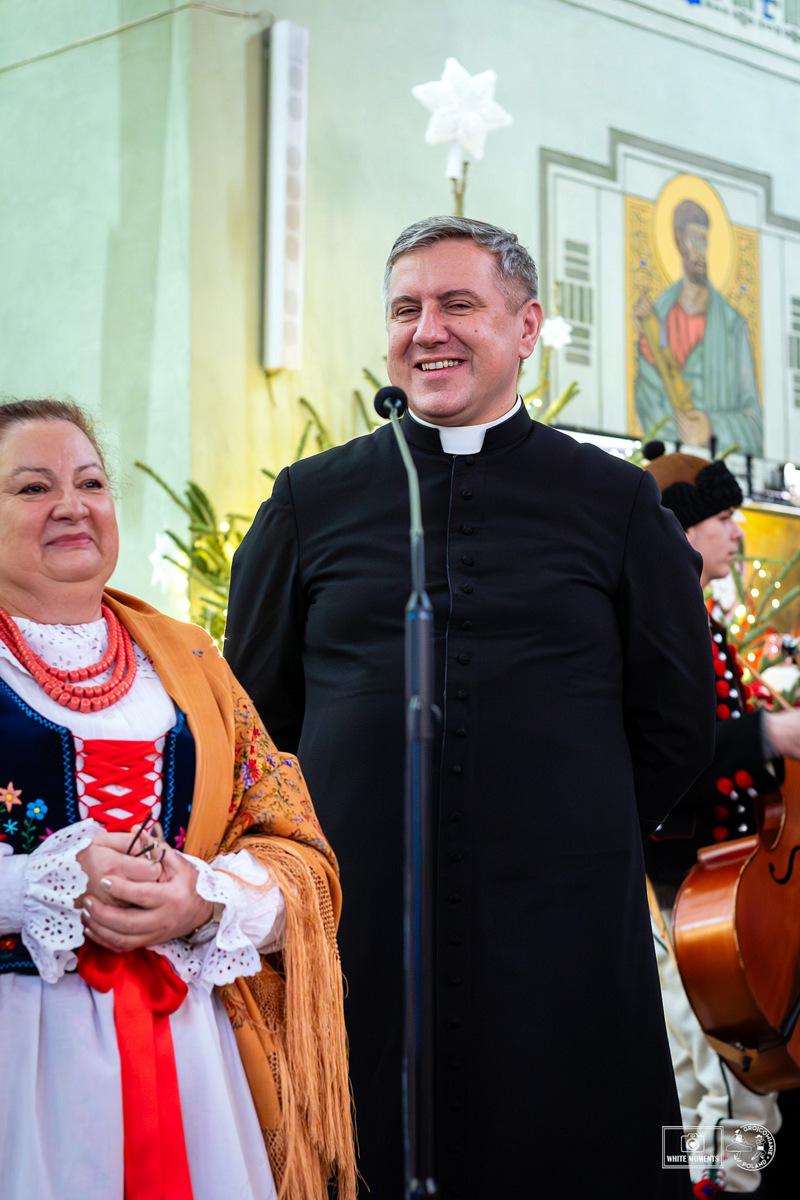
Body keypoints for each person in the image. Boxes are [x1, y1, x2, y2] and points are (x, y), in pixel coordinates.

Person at [225, 216, 716, 1199]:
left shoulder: (616, 504)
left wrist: (569, 825)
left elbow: (676, 718)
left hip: (561, 927)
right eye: (405, 309)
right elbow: (253, 718)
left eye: (458, 304)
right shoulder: (310, 501)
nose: (427, 330)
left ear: (526, 326)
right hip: (360, 923)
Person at [0, 399, 355, 1200]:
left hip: (194, 1059)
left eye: (91, 483)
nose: (72, 505)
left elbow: (293, 849)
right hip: (20, 1058)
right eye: (32, 487)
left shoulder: (190, 665)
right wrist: (43, 888)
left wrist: (203, 899)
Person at [643, 442, 794, 1197]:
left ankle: (703, 1183)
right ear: (684, 529)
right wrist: (769, 734)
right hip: (687, 885)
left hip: (715, 879)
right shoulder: (663, 621)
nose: (738, 531)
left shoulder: (693, 615)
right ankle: (725, 1187)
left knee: (706, 1077)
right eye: (724, 517)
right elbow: (672, 749)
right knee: (728, 1080)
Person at [634, 199, 763, 456]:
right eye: (694, 240)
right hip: (668, 467)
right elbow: (647, 405)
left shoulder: (732, 327)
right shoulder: (657, 321)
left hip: (722, 470)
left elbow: (755, 428)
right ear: (678, 242)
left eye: (705, 241)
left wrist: (712, 428)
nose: (701, 251)